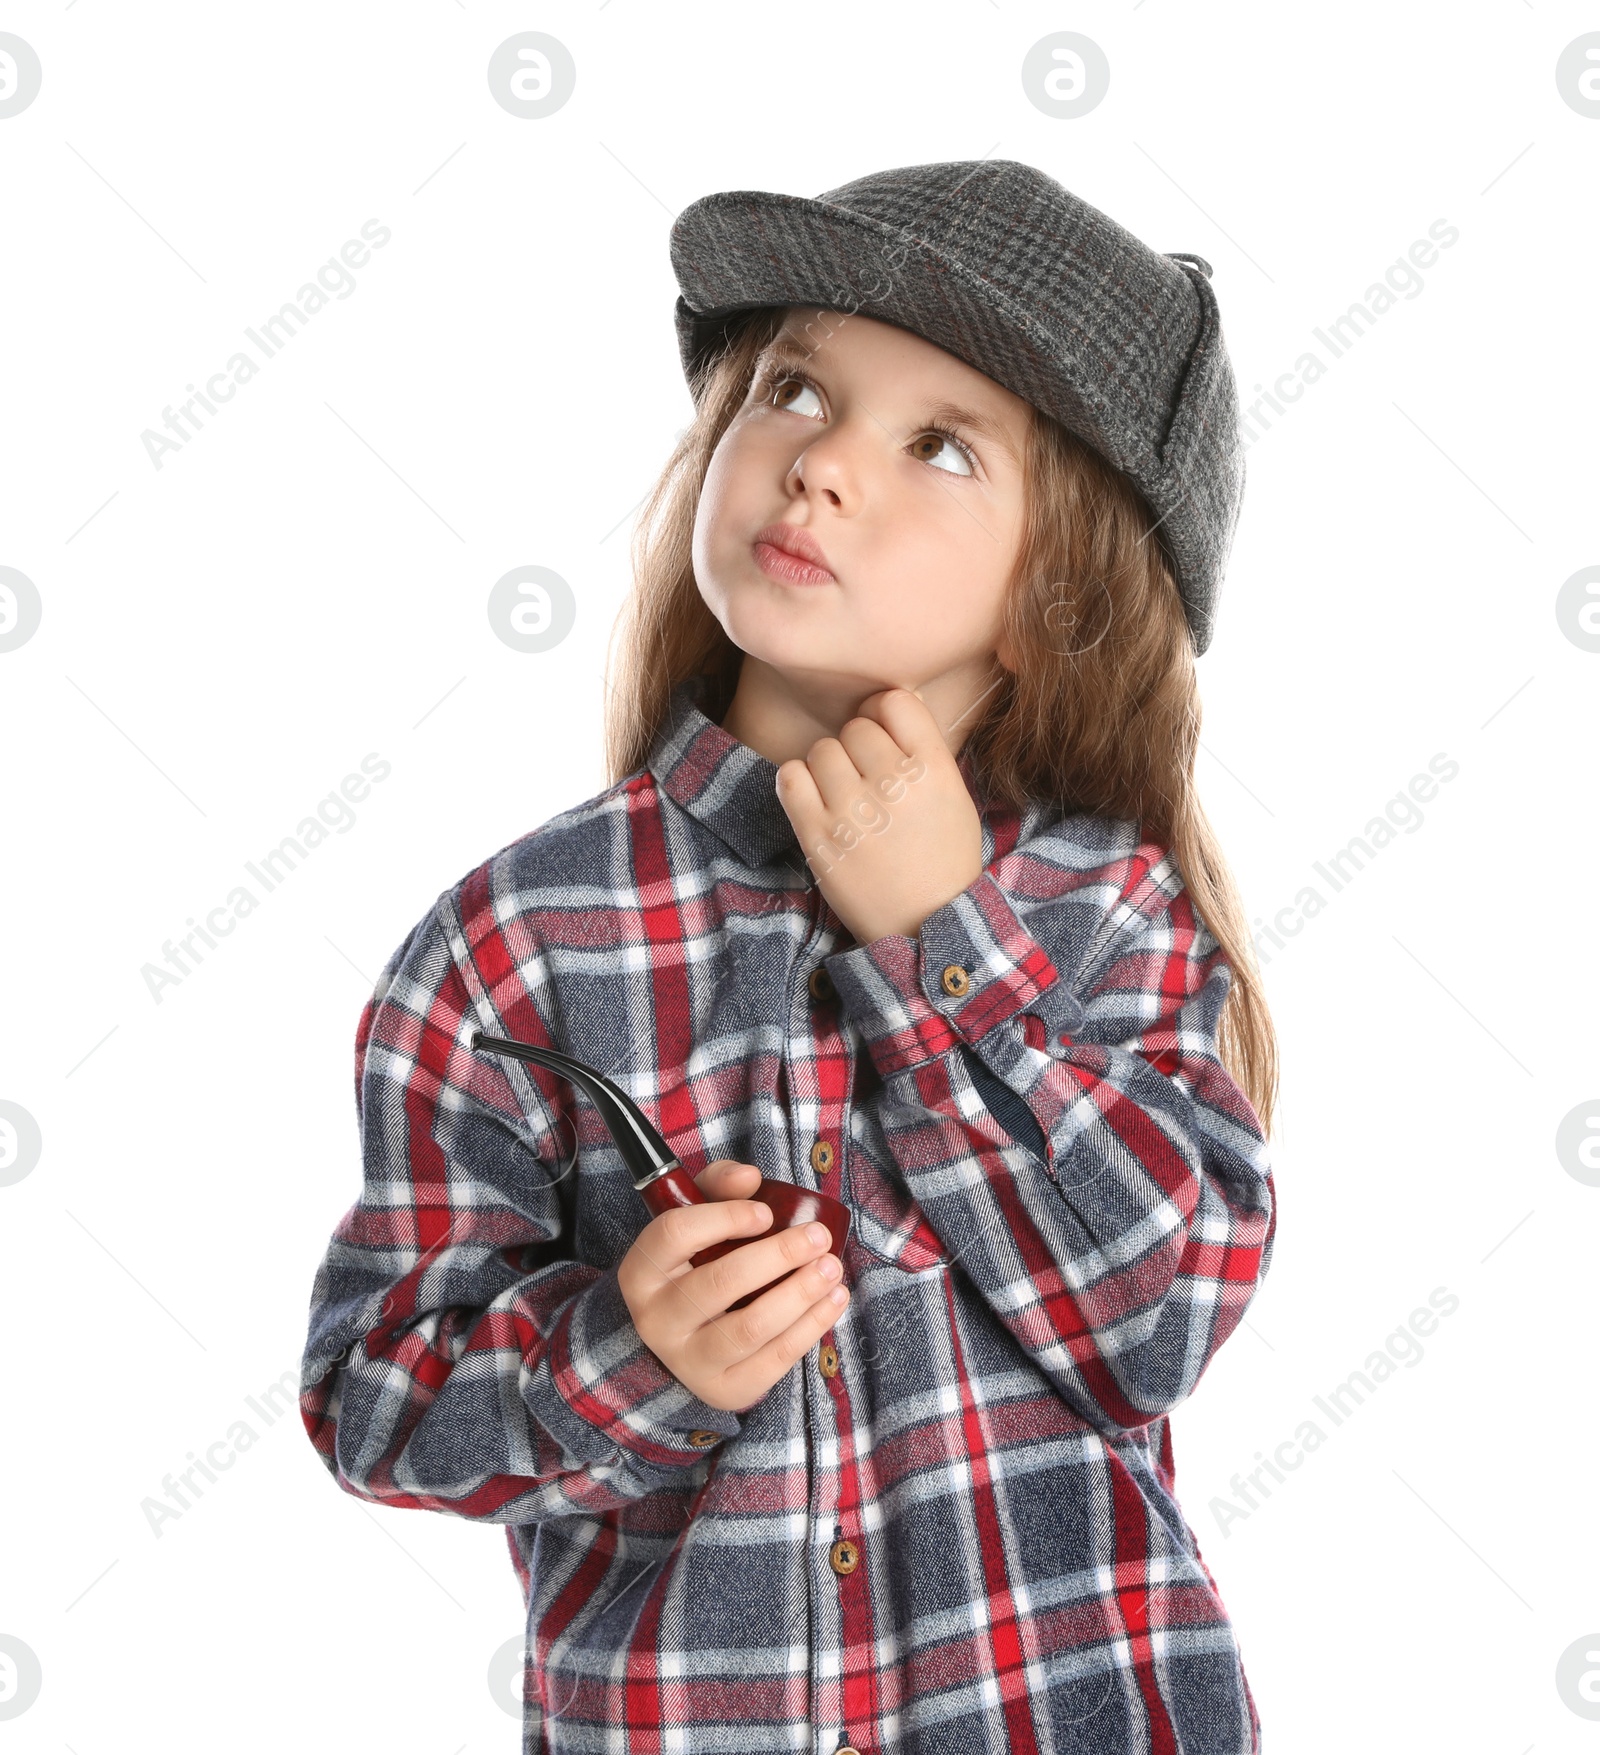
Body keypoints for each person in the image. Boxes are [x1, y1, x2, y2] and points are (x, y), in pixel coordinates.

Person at [298, 158, 1280, 1755]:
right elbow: (374, 1396)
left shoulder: (1105, 909)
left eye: (940, 446)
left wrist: (939, 942)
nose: (822, 464)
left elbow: (1153, 1312)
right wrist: (625, 1354)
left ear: (1066, 593)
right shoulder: (519, 943)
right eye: (795, 387)